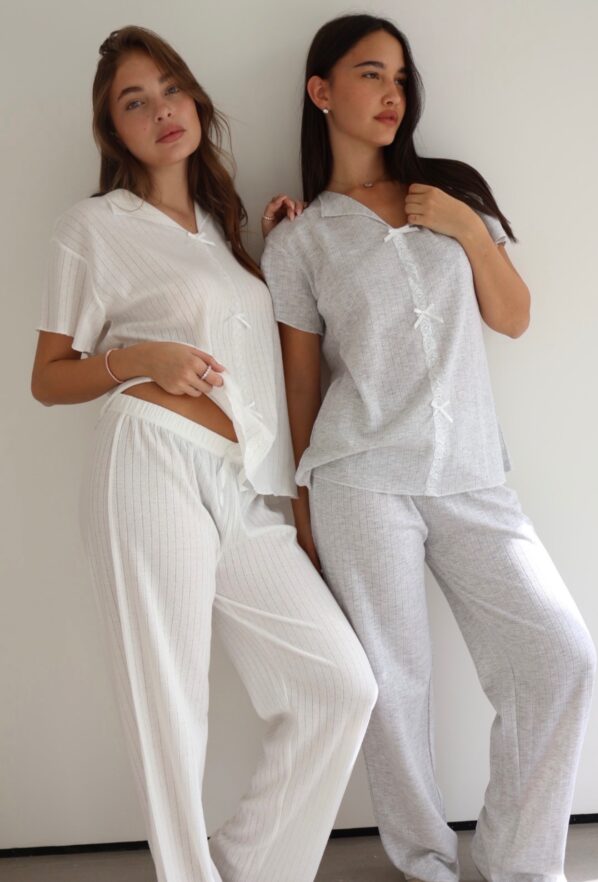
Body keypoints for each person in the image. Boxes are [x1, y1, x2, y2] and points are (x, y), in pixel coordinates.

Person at [31, 25, 378, 882]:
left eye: (170, 89)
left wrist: (274, 251)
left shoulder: (224, 230)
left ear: (194, 98)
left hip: (244, 486)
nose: (161, 111)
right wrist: (138, 359)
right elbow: (48, 378)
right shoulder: (93, 228)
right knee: (170, 704)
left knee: (339, 688)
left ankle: (245, 869)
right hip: (149, 461)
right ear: (114, 130)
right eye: (135, 102)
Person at [260, 13, 596, 882]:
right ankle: (425, 863)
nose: (392, 94)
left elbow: (513, 317)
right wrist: (302, 506)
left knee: (560, 657)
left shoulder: (450, 196)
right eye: (371, 74)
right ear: (322, 90)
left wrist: (468, 230)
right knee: (394, 686)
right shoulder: (299, 240)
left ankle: (523, 864)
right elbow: (300, 385)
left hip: (472, 475)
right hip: (359, 479)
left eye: (401, 78)